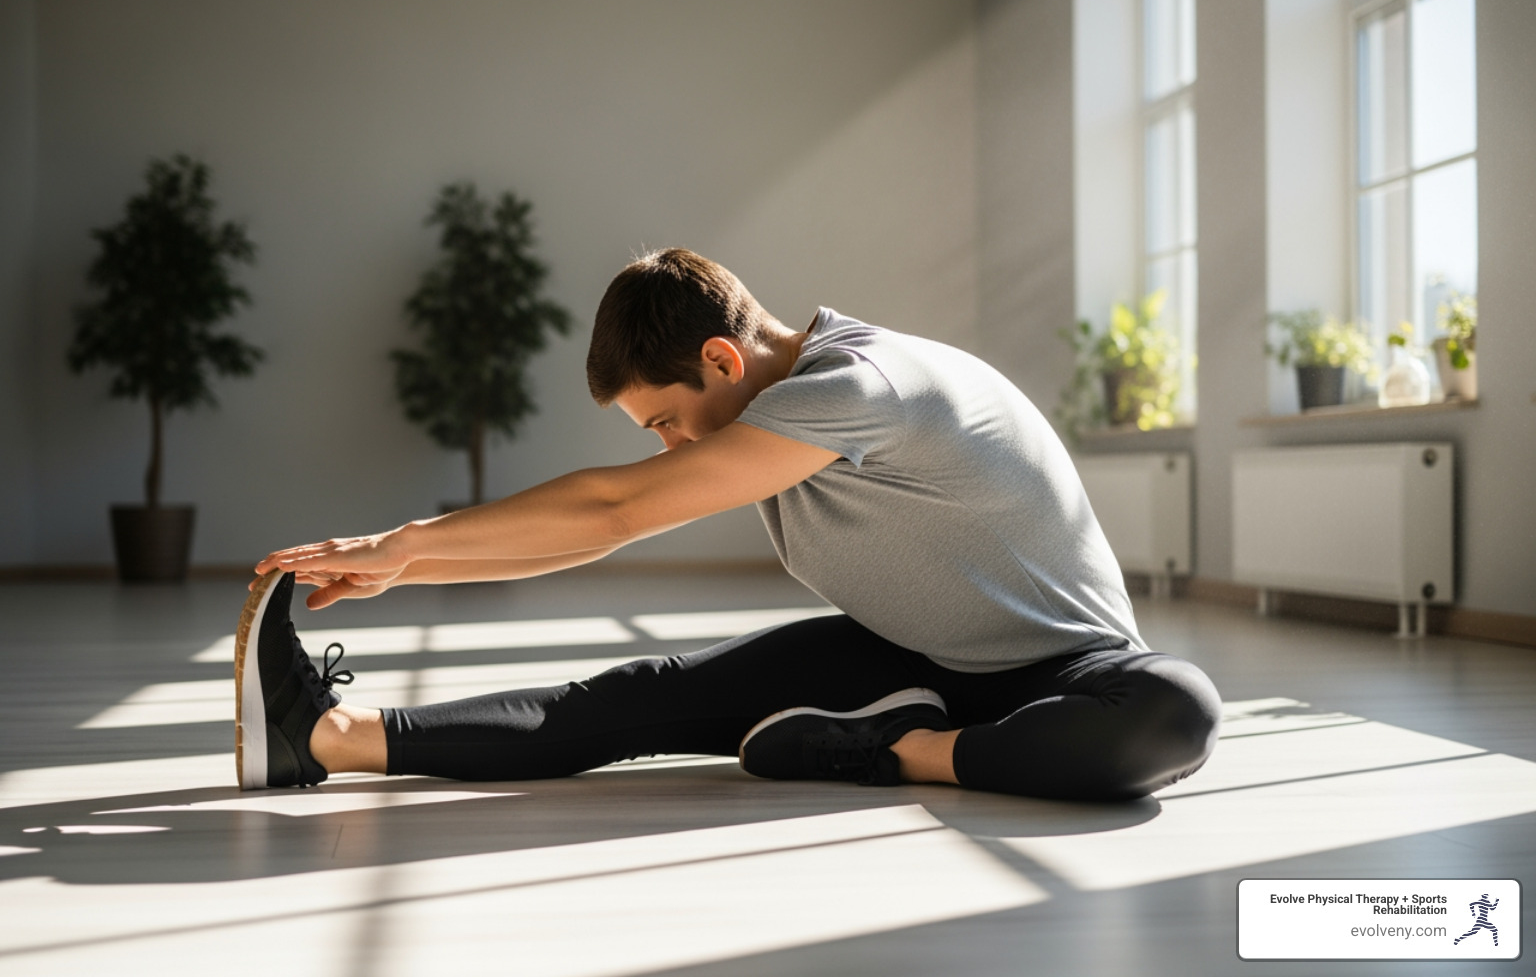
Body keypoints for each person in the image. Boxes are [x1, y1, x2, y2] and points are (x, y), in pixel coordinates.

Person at [237, 248, 1221, 799]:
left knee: (1178, 709)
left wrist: (401, 545)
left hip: (1068, 670)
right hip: (914, 657)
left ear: (721, 359)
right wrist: (410, 567)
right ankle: (324, 738)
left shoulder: (859, 385)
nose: (670, 447)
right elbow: (602, 527)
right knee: (632, 699)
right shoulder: (773, 406)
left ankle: (894, 750)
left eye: (664, 420)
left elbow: (617, 508)